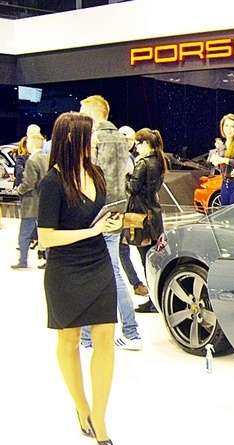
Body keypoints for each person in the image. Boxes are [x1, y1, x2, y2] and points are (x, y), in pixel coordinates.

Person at [37, 112, 123, 445]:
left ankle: (100, 417)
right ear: (74, 139)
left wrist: (110, 224)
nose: (96, 140)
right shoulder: (52, 182)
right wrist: (91, 231)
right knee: (69, 340)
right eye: (91, 135)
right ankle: (82, 406)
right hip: (65, 269)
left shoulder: (96, 173)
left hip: (98, 263)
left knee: (105, 339)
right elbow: (46, 238)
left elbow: (97, 218)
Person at [79, 95, 140, 350]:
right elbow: (128, 176)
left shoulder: (92, 139)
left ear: (92, 112)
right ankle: (132, 333)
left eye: (82, 111)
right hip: (115, 212)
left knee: (86, 274)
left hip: (92, 214)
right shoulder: (122, 139)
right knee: (114, 272)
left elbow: (87, 176)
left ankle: (86, 338)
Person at [126, 128, 167, 313]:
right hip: (154, 214)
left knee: (146, 261)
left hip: (141, 215)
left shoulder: (142, 163)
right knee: (153, 259)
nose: (136, 147)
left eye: (138, 143)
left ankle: (153, 302)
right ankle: (156, 299)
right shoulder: (159, 161)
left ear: (146, 143)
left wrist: (125, 177)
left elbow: (133, 188)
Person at [117, 125, 147, 297]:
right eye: (125, 139)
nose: (127, 142)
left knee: (139, 246)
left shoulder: (132, 159)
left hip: (133, 210)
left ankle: (141, 283)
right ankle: (136, 283)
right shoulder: (119, 158)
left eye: (130, 140)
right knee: (123, 248)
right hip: (121, 209)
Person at [11, 133, 48, 269]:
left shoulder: (32, 160)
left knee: (24, 234)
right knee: (45, 233)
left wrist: (19, 190)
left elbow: (29, 183)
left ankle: (23, 261)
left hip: (31, 202)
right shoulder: (48, 158)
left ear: (31, 144)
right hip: (45, 201)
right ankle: (49, 261)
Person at [210, 113, 234, 205]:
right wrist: (216, 161)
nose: (229, 129)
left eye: (232, 126)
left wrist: (223, 160)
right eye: (226, 126)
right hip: (224, 184)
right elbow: (222, 167)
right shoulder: (224, 144)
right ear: (222, 127)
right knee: (224, 211)